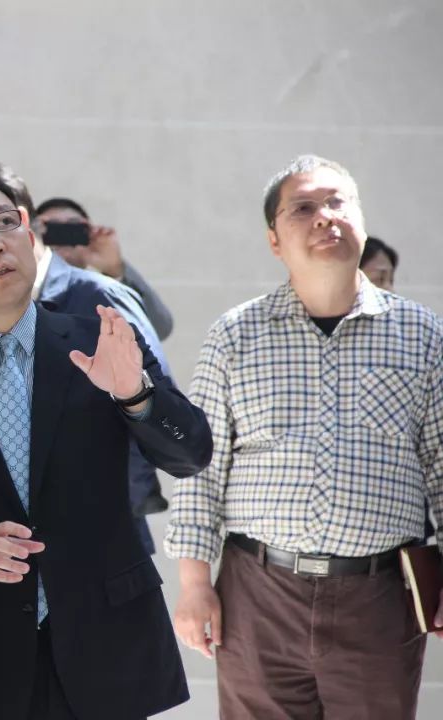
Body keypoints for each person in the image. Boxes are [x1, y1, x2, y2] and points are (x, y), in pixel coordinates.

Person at [0, 169, 213, 719]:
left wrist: (135, 395)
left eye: (4, 223)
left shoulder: (100, 341)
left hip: (109, 655)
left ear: (30, 236)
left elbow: (191, 452)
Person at [166, 155, 443, 719]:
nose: (324, 216)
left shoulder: (422, 334)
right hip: (258, 595)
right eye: (303, 208)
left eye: (338, 202)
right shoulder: (234, 336)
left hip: (378, 598)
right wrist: (194, 585)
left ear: (360, 219)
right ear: (274, 240)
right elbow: (201, 467)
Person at [0, 161, 171, 549]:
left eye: (3, 223)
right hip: (20, 530)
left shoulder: (103, 293)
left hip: (106, 525)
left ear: (25, 224)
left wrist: (117, 503)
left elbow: (157, 402)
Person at [32, 196, 175, 340]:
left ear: (88, 235)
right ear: (35, 234)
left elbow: (160, 328)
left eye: (73, 227)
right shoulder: (27, 286)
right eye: (52, 228)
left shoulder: (100, 291)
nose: (63, 235)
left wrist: (115, 271)